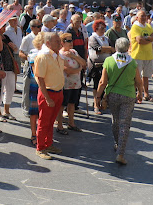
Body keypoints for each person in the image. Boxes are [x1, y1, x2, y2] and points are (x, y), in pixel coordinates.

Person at [95, 37, 143, 165]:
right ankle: (121, 153)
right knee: (124, 124)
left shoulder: (109, 61)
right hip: (128, 96)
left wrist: (98, 96)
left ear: (116, 47)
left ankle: (117, 143)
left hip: (113, 95)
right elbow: (138, 81)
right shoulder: (132, 63)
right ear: (128, 48)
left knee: (115, 121)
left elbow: (102, 81)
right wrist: (140, 93)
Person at [33, 32, 65, 160]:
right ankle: (40, 148)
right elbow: (40, 79)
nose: (60, 43)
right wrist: (47, 98)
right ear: (48, 43)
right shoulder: (43, 56)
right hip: (48, 92)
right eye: (57, 41)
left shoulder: (56, 55)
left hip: (58, 92)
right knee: (44, 121)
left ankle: (48, 143)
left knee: (51, 121)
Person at [58, 32, 86, 133]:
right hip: (66, 84)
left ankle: (71, 123)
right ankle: (60, 125)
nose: (71, 43)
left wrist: (74, 57)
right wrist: (79, 69)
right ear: (62, 42)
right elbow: (68, 70)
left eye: (71, 40)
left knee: (72, 104)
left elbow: (84, 63)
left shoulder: (73, 52)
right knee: (62, 105)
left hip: (75, 82)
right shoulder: (60, 54)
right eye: (68, 41)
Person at [129, 10, 153, 102]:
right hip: (138, 55)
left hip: (148, 55)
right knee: (136, 77)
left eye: (145, 16)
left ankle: (146, 94)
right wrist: (150, 39)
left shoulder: (148, 26)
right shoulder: (135, 27)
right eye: (142, 16)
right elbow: (139, 41)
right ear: (137, 17)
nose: (144, 17)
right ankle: (134, 94)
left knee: (146, 76)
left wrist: (147, 38)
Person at [88, 20, 114, 114]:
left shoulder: (106, 38)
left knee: (106, 84)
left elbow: (113, 49)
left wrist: (107, 49)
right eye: (101, 28)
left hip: (106, 64)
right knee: (96, 85)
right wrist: (109, 49)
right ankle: (96, 104)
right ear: (96, 28)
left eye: (104, 28)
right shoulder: (92, 38)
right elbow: (98, 49)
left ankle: (103, 102)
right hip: (96, 65)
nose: (103, 29)